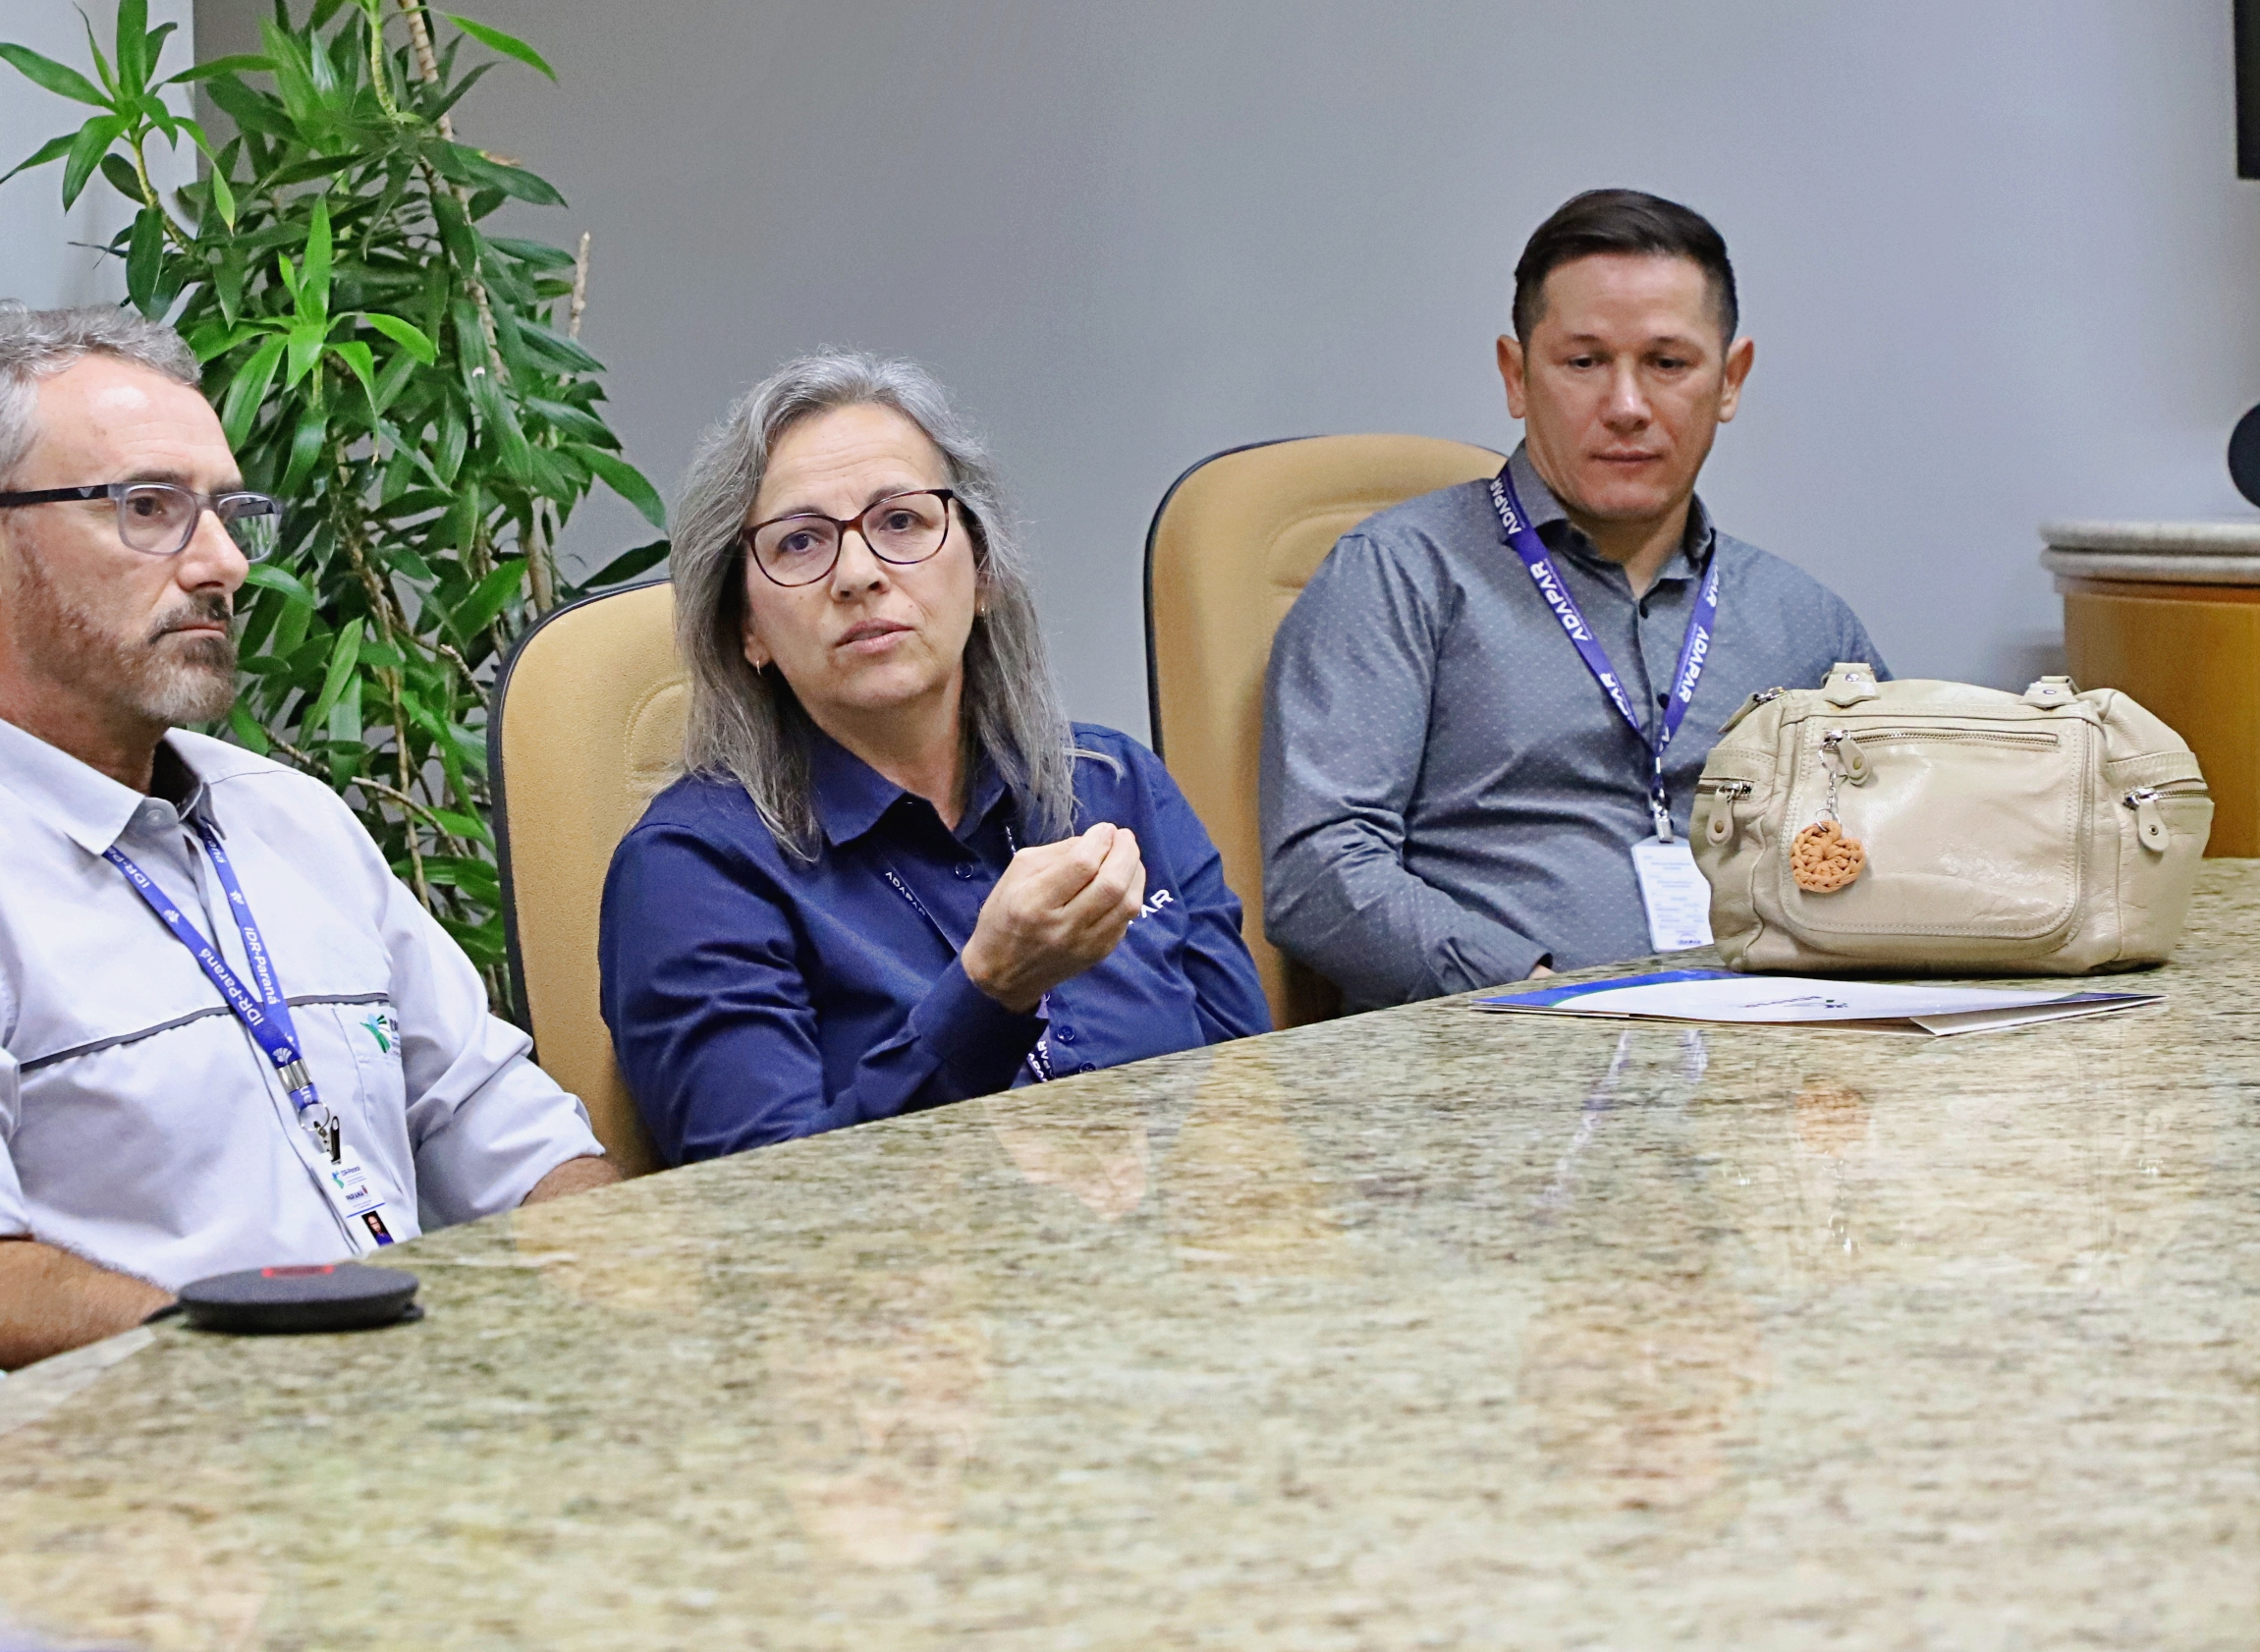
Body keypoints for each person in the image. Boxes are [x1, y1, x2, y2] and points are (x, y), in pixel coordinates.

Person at [0, 306, 616, 1368]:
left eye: (227, 512)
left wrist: (629, 1293)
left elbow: (501, 1124)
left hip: (429, 1393)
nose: (224, 562)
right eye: (149, 508)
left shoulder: (293, 816)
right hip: (169, 1434)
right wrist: (279, 1361)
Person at [600, 352, 1267, 1165]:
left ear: (982, 572)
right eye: (801, 542)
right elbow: (766, 1198)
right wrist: (989, 991)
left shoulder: (1115, 785)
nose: (858, 575)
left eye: (901, 522)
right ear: (746, 628)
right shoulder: (692, 869)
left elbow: (1251, 1105)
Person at [1260, 189, 1886, 1011]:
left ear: (1730, 381)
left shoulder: (1804, 622)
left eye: (1667, 364)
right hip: (1507, 1052)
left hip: (1773, 1045)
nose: (1626, 407)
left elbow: (1901, 844)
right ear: (1517, 375)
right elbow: (1321, 872)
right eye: (1584, 363)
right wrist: (1539, 996)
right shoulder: (1399, 577)